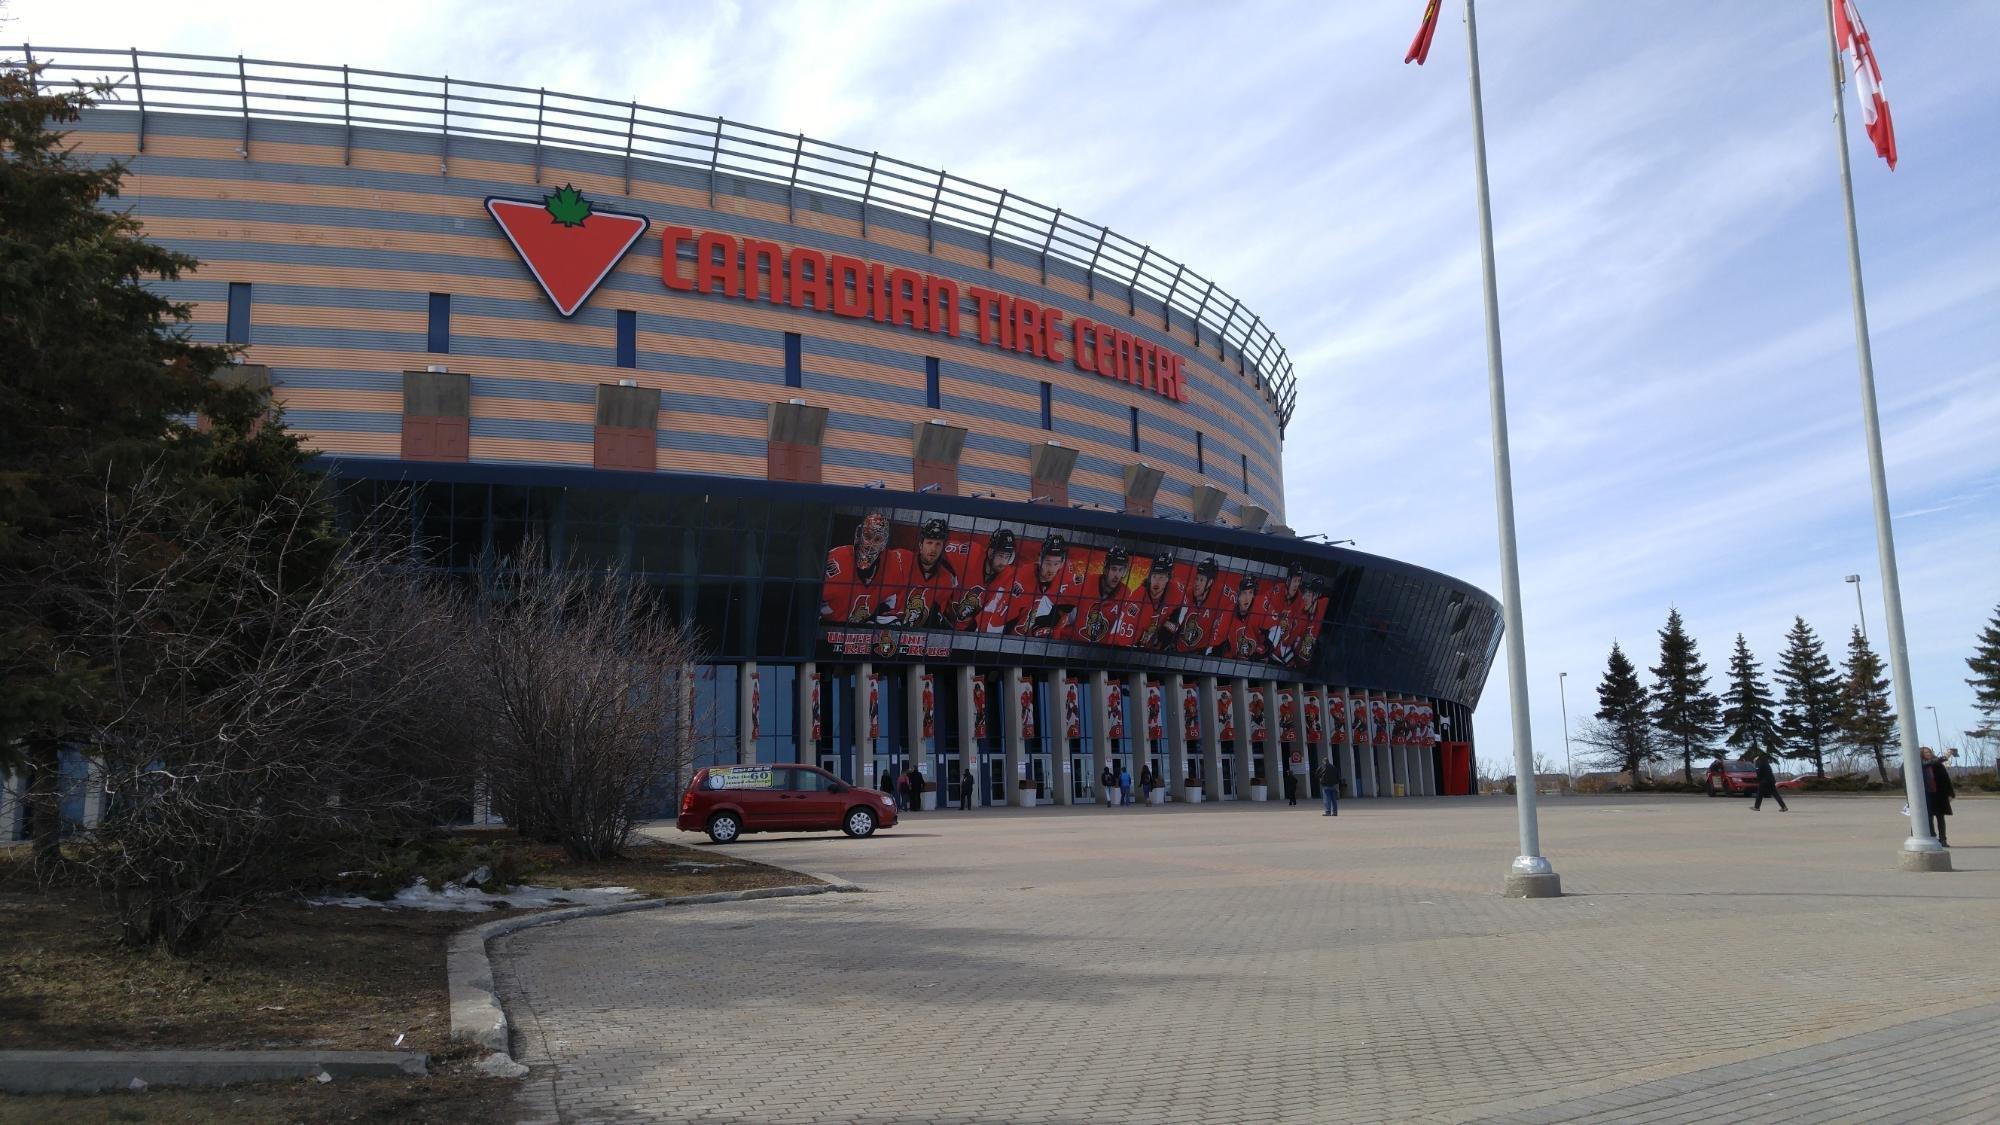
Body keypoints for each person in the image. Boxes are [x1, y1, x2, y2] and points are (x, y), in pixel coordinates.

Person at [1921, 747, 1955, 846]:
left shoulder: (1938, 766)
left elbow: (1946, 779)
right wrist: (1945, 756)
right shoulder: (1921, 764)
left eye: (1929, 752)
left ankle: (1943, 839)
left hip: (1939, 794)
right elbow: (1930, 763)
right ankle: (1933, 837)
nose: (1928, 754)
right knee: (1929, 818)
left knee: (1940, 818)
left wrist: (1950, 793)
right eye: (1925, 752)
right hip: (1928, 795)